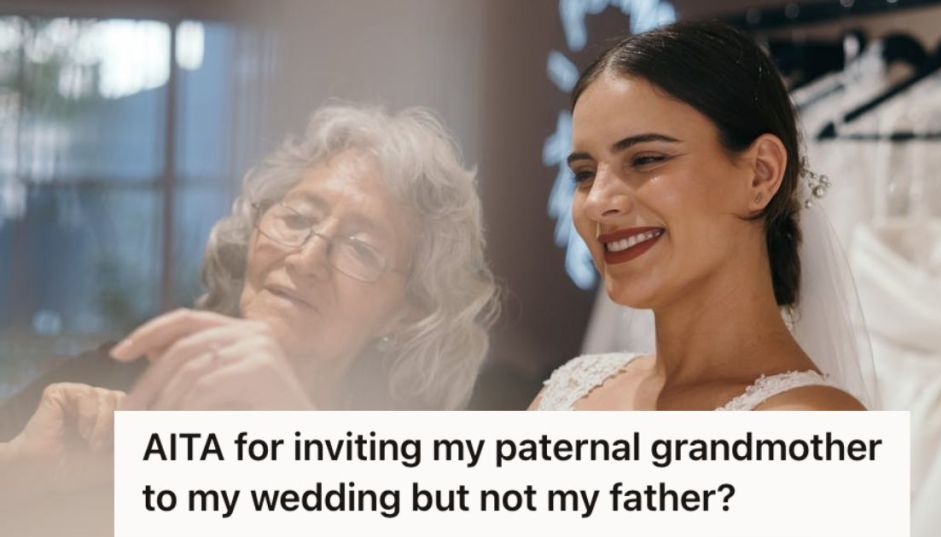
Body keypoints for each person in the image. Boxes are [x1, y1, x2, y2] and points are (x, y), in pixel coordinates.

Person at [0, 104, 498, 510]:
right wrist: (23, 469)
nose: (306, 259)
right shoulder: (120, 383)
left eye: (361, 249)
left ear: (408, 310)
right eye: (297, 217)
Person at [531, 21, 873, 411]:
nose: (596, 202)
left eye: (645, 160)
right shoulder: (567, 394)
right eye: (584, 174)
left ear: (761, 173)